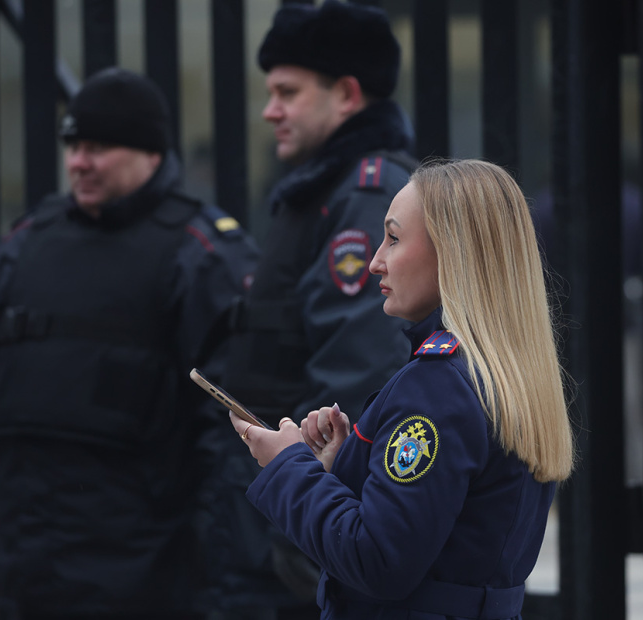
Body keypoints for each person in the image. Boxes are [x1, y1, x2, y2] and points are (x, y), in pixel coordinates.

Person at [0, 67, 260, 619]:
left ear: (151, 154)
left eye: (98, 148)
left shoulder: (202, 255)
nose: (78, 162)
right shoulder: (26, 243)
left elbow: (229, 424)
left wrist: (213, 550)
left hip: (138, 571)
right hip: (14, 563)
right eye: (73, 147)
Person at [231, 159, 576, 619]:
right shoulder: (503, 373)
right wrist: (346, 469)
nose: (375, 261)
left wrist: (288, 465)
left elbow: (378, 561)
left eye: (393, 239)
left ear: (453, 252)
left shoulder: (438, 388)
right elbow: (456, 533)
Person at [212, 1, 417, 616]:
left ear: (347, 94)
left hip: (298, 530)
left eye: (287, 92)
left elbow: (357, 377)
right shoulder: (322, 191)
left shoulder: (365, 195)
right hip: (278, 517)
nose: (270, 110)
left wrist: (304, 529)